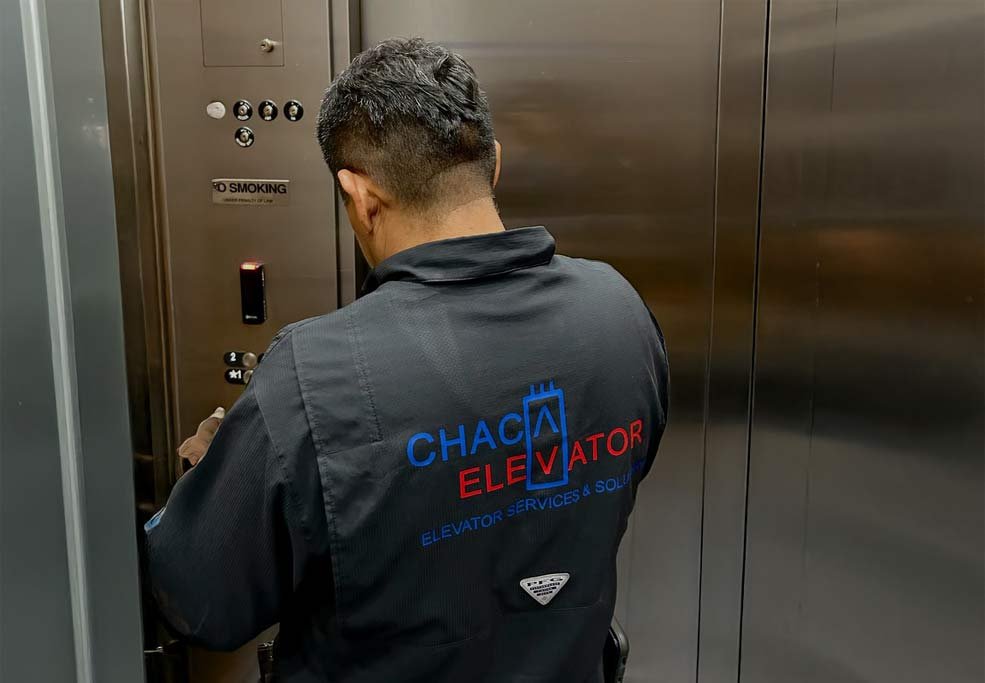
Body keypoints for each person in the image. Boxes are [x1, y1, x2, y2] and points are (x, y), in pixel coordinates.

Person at [145, 38, 669, 683]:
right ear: (494, 165)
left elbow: (200, 604)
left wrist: (212, 483)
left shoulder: (313, 374)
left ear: (358, 194)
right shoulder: (617, 311)